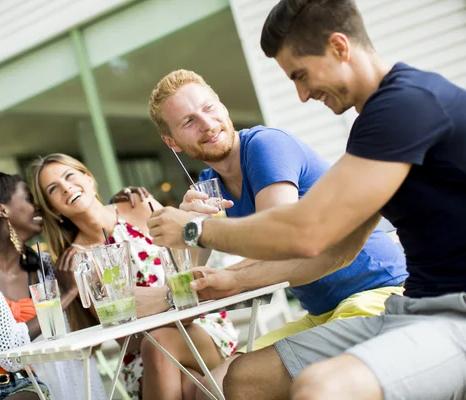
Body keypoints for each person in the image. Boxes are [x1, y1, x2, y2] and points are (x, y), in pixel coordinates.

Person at [148, 0, 466, 399]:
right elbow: (336, 252)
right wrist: (232, 279)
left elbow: (305, 232)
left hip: (455, 309)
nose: (301, 95)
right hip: (416, 307)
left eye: (301, 75)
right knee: (239, 379)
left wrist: (197, 229)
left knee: (322, 387)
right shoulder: (372, 127)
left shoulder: (407, 105)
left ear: (338, 47)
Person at [147, 69, 407, 397]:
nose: (207, 124)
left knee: (246, 380)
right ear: (172, 143)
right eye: (188, 122)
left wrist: (195, 232)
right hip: (321, 313)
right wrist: (189, 228)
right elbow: (187, 274)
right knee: (209, 390)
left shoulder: (265, 146)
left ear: (222, 106)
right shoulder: (208, 184)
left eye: (209, 108)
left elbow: (279, 241)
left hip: (377, 291)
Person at [29, 154, 238, 400]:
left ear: (88, 178)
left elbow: (188, 258)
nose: (66, 188)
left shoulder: (140, 205)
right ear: (53, 208)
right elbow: (122, 327)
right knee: (185, 382)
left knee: (160, 346)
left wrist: (152, 301)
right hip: (141, 358)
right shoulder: (78, 259)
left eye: (69, 176)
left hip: (202, 328)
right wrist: (179, 295)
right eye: (54, 189)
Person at [0, 172, 104, 400]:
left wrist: (117, 209)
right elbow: (8, 350)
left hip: (25, 384)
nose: (38, 207)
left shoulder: (43, 269)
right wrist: (68, 294)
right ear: (2, 209)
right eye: (29, 199)